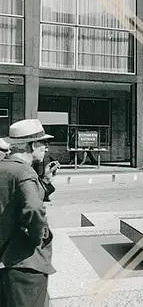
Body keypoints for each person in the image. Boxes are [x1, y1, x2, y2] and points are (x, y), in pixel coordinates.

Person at [0, 119, 57, 307]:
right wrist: (36, 238)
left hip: (5, 261)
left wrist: (45, 182)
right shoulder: (25, 172)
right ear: (32, 145)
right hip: (26, 264)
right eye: (43, 143)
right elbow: (32, 207)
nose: (46, 148)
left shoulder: (4, 167)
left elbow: (12, 197)